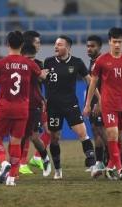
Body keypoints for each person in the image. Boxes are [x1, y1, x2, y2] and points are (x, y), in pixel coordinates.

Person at [0, 31, 48, 186]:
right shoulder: (29, 63)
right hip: (22, 109)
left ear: (7, 44)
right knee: (16, 143)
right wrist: (43, 73)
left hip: (4, 107)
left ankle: (3, 163)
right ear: (22, 45)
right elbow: (41, 76)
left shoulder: (0, 63)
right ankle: (11, 178)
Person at [84, 27, 122, 180]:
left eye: (120, 42)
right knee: (112, 134)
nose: (117, 45)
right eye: (114, 42)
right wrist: (87, 104)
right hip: (108, 104)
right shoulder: (101, 61)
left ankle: (110, 167)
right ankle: (119, 169)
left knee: (119, 139)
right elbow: (93, 84)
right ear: (109, 42)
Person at [43, 35, 98, 180]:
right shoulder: (48, 62)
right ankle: (58, 170)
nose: (56, 47)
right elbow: (40, 80)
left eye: (59, 44)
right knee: (54, 138)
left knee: (83, 134)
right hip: (53, 107)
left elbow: (90, 82)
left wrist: (99, 99)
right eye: (55, 44)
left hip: (71, 105)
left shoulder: (77, 63)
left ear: (68, 47)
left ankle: (92, 166)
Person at [19, 30, 51, 175]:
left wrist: (44, 100)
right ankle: (20, 164)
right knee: (20, 135)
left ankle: (41, 157)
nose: (39, 45)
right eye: (37, 42)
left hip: (35, 104)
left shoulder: (38, 63)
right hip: (19, 104)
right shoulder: (17, 62)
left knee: (34, 135)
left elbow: (40, 83)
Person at [85, 35, 108, 174]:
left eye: (92, 46)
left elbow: (105, 85)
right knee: (95, 130)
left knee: (102, 131)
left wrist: (100, 102)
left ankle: (114, 162)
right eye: (88, 46)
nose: (89, 48)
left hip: (101, 101)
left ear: (99, 47)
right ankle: (99, 162)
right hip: (93, 101)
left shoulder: (102, 62)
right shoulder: (92, 61)